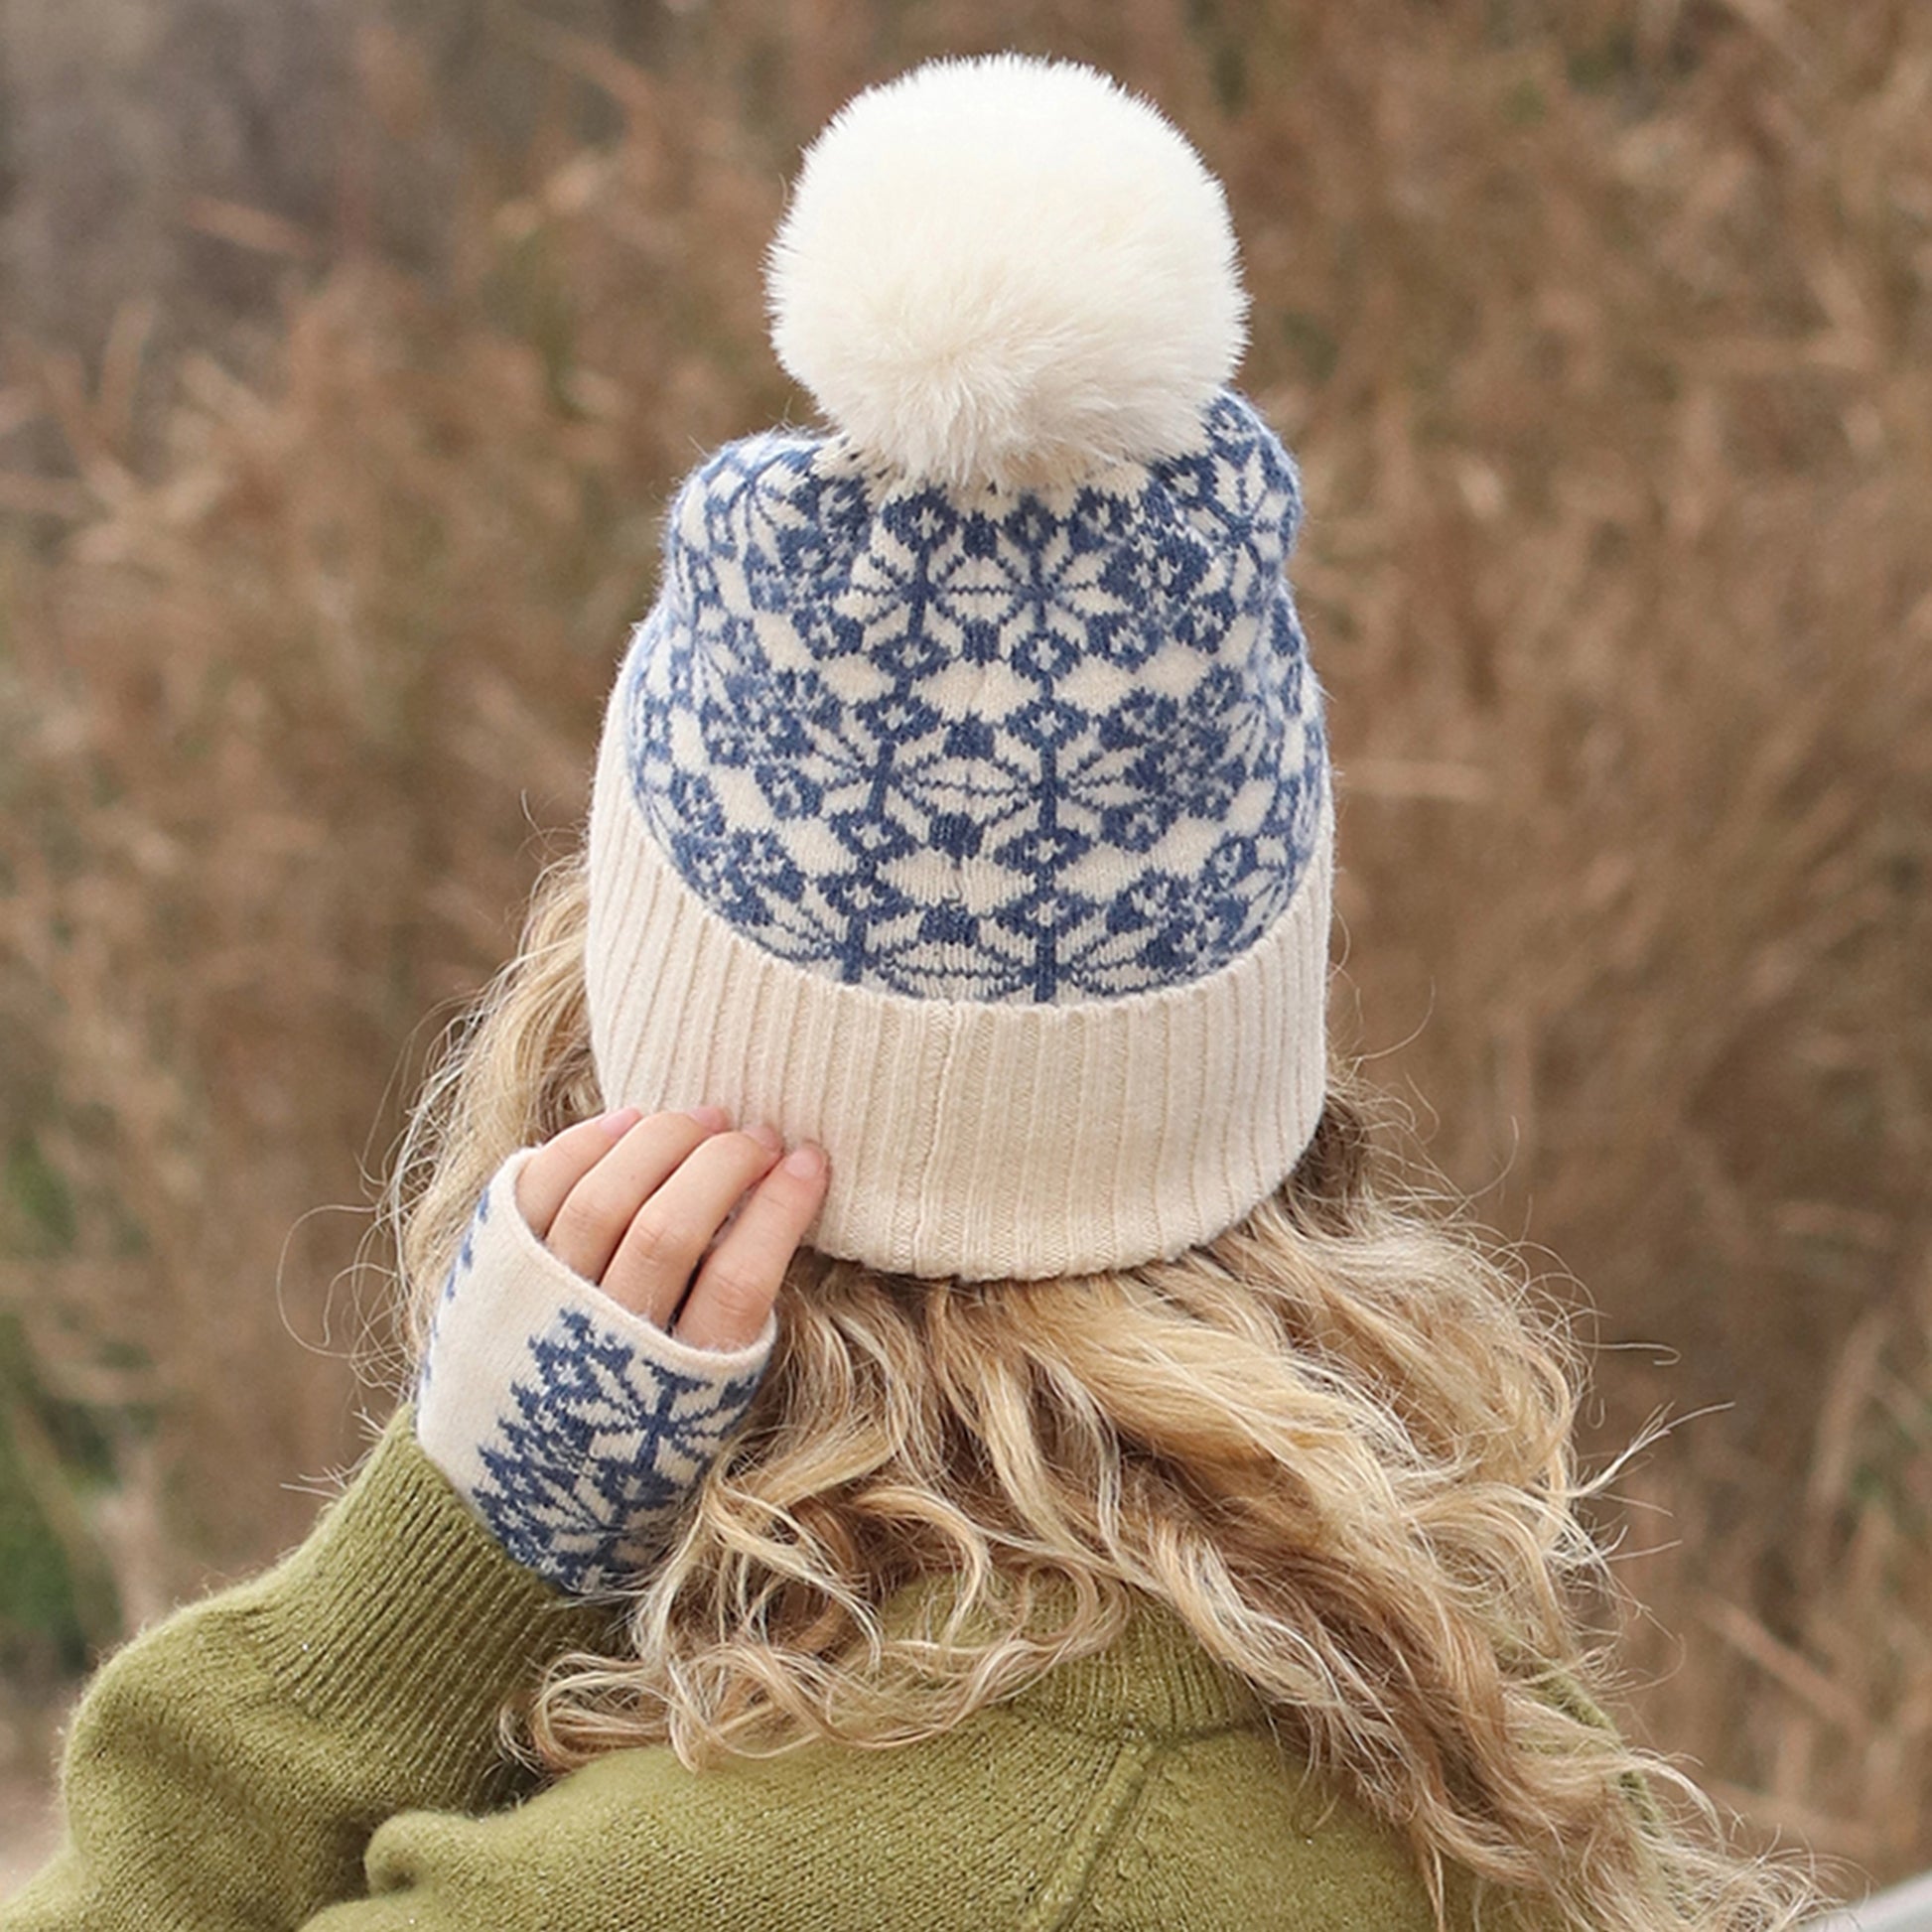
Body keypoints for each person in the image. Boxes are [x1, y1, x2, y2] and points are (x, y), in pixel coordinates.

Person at [3, 53, 1814, 1932]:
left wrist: (438, 1576)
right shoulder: (1463, 1749)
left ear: (624, 1083)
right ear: (1260, 1087)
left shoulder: (639, 1900)